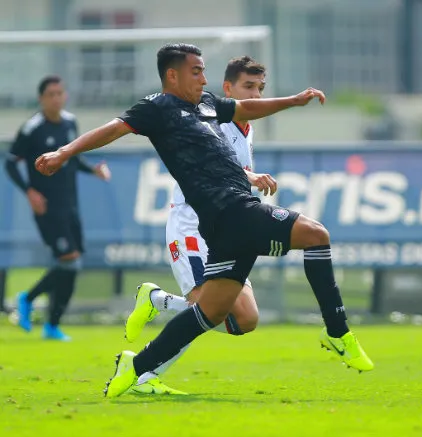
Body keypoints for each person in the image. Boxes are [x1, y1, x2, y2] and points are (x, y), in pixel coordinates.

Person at [35, 43, 373, 398]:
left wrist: (292, 101)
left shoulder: (209, 104)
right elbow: (114, 129)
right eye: (196, 71)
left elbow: (246, 108)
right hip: (228, 211)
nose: (203, 78)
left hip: (223, 224)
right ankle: (337, 333)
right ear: (172, 74)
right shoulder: (158, 107)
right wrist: (64, 151)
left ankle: (136, 367)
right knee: (316, 234)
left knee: (213, 314)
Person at [124, 55, 274, 395]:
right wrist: (251, 177)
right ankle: (144, 376)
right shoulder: (212, 121)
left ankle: (157, 301)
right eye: (248, 87)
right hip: (192, 225)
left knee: (245, 320)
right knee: (203, 308)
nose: (255, 95)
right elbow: (217, 165)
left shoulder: (244, 128)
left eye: (260, 89)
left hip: (223, 229)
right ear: (227, 89)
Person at [5, 75, 111, 340]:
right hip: (47, 207)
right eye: (50, 94)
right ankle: (27, 299)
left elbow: (71, 159)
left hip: (70, 205)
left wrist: (93, 170)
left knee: (72, 266)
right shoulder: (33, 128)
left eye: (59, 93)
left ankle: (52, 325)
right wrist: (30, 192)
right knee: (70, 260)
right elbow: (10, 163)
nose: (56, 98)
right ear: (41, 99)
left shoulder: (70, 122)